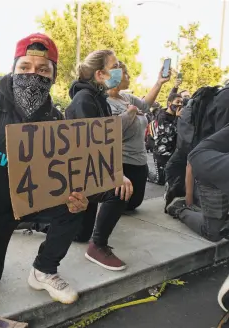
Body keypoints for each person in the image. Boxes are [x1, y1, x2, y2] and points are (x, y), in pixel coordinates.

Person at [0, 33, 89, 304]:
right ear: (13, 69)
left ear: (53, 76)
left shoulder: (55, 119)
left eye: (43, 69)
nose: (33, 74)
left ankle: (44, 270)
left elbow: (63, 172)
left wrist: (77, 196)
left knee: (75, 211)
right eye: (25, 67)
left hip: (29, 200)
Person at [64, 50, 133, 271]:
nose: (119, 69)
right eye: (115, 65)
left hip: (87, 171)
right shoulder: (85, 100)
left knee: (80, 233)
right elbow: (90, 146)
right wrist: (116, 175)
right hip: (81, 173)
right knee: (118, 190)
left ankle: (29, 222)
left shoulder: (96, 98)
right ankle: (98, 246)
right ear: (100, 73)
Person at [107, 61, 170, 210]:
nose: (129, 76)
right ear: (115, 75)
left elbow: (146, 105)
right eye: (126, 73)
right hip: (123, 163)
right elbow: (110, 131)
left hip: (140, 162)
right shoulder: (105, 102)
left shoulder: (127, 98)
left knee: (134, 204)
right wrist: (130, 113)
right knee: (121, 206)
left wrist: (159, 82)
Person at [166, 122, 229, 243]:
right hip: (210, 170)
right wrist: (188, 198)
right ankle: (179, 209)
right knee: (212, 232)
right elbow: (194, 155)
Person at [147, 93, 183, 185]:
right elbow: (167, 133)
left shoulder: (178, 115)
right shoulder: (162, 116)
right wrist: (178, 118)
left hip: (174, 151)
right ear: (169, 103)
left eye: (181, 102)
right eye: (177, 102)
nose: (180, 104)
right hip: (161, 153)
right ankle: (147, 174)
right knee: (161, 181)